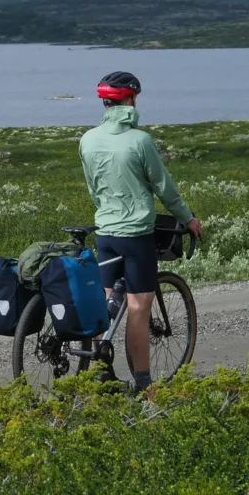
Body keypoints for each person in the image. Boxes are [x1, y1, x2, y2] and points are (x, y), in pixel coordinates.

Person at [78, 71, 203, 393]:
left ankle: (101, 375)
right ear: (130, 100)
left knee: (105, 303)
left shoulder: (88, 139)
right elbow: (164, 188)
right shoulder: (140, 141)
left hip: (105, 231)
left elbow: (94, 188)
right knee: (138, 305)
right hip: (135, 235)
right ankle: (145, 385)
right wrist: (188, 218)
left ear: (106, 103)